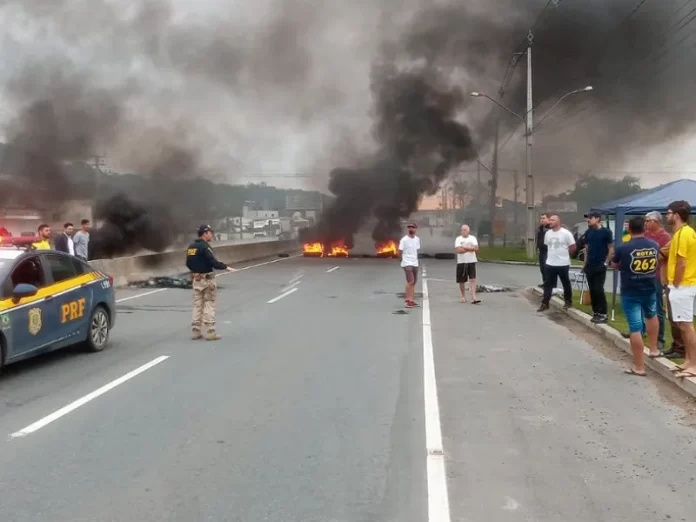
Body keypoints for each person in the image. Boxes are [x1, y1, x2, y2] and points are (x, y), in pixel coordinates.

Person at [611, 216, 660, 376]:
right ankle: (653, 349)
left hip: (631, 290)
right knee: (652, 315)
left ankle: (639, 367)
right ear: (644, 228)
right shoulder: (654, 245)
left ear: (629, 229)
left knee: (635, 327)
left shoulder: (623, 248)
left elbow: (615, 265)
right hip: (650, 287)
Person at [185, 224, 237, 341]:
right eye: (210, 233)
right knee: (209, 303)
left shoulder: (191, 247)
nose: (212, 235)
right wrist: (226, 267)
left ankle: (196, 331)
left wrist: (195, 271)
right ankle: (210, 332)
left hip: (196, 279)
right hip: (207, 279)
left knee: (197, 305)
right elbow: (213, 262)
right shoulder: (205, 247)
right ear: (205, 233)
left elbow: (188, 263)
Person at [665, 201, 696, 379]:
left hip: (683, 285)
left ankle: (694, 364)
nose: (666, 216)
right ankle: (688, 360)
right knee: (682, 326)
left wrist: (675, 283)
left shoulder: (684, 234)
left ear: (676, 215)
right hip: (681, 285)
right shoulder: (680, 233)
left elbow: (682, 262)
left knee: (686, 326)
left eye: (668, 213)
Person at [644, 211, 673, 351]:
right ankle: (642, 330)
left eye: (648, 220)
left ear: (656, 222)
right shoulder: (645, 234)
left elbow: (663, 255)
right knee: (643, 305)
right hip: (643, 274)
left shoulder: (665, 236)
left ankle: (660, 338)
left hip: (656, 275)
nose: (646, 223)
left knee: (657, 307)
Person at [538, 215, 576, 312]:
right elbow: (547, 246)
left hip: (563, 263)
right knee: (548, 284)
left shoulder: (566, 233)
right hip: (550, 263)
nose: (550, 222)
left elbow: (573, 246)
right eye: (549, 220)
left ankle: (568, 302)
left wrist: (567, 255)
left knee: (565, 283)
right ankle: (545, 303)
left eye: (552, 220)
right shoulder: (548, 234)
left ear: (558, 222)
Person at [583, 211, 614, 324]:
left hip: (600, 264)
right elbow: (586, 248)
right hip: (590, 265)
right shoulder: (588, 232)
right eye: (588, 218)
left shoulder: (606, 232)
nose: (588, 220)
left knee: (598, 289)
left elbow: (611, 248)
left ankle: (603, 313)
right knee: (592, 289)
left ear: (598, 219)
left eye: (590, 218)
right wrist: (585, 264)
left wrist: (606, 262)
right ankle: (596, 312)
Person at [454, 224, 480, 304]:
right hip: (462, 262)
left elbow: (476, 248)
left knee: (473, 279)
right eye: (462, 230)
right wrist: (470, 249)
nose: (464, 231)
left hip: (471, 261)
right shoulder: (458, 239)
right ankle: (463, 296)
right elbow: (458, 250)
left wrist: (464, 247)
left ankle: (474, 297)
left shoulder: (473, 238)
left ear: (469, 230)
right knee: (462, 280)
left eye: (465, 229)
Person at [398, 222, 421, 308]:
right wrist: (402, 260)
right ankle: (407, 300)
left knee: (414, 282)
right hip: (407, 263)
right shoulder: (404, 240)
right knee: (410, 281)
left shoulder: (417, 239)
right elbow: (400, 251)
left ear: (415, 229)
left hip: (415, 262)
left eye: (412, 227)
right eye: (409, 227)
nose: (410, 229)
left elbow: (417, 250)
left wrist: (416, 260)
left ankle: (411, 299)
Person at [536, 213, 551, 288]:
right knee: (542, 268)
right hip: (541, 250)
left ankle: (549, 283)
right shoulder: (540, 228)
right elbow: (538, 239)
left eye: (544, 218)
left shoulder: (550, 228)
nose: (542, 220)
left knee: (546, 267)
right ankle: (545, 282)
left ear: (548, 219)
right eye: (541, 218)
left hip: (548, 250)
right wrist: (537, 247)